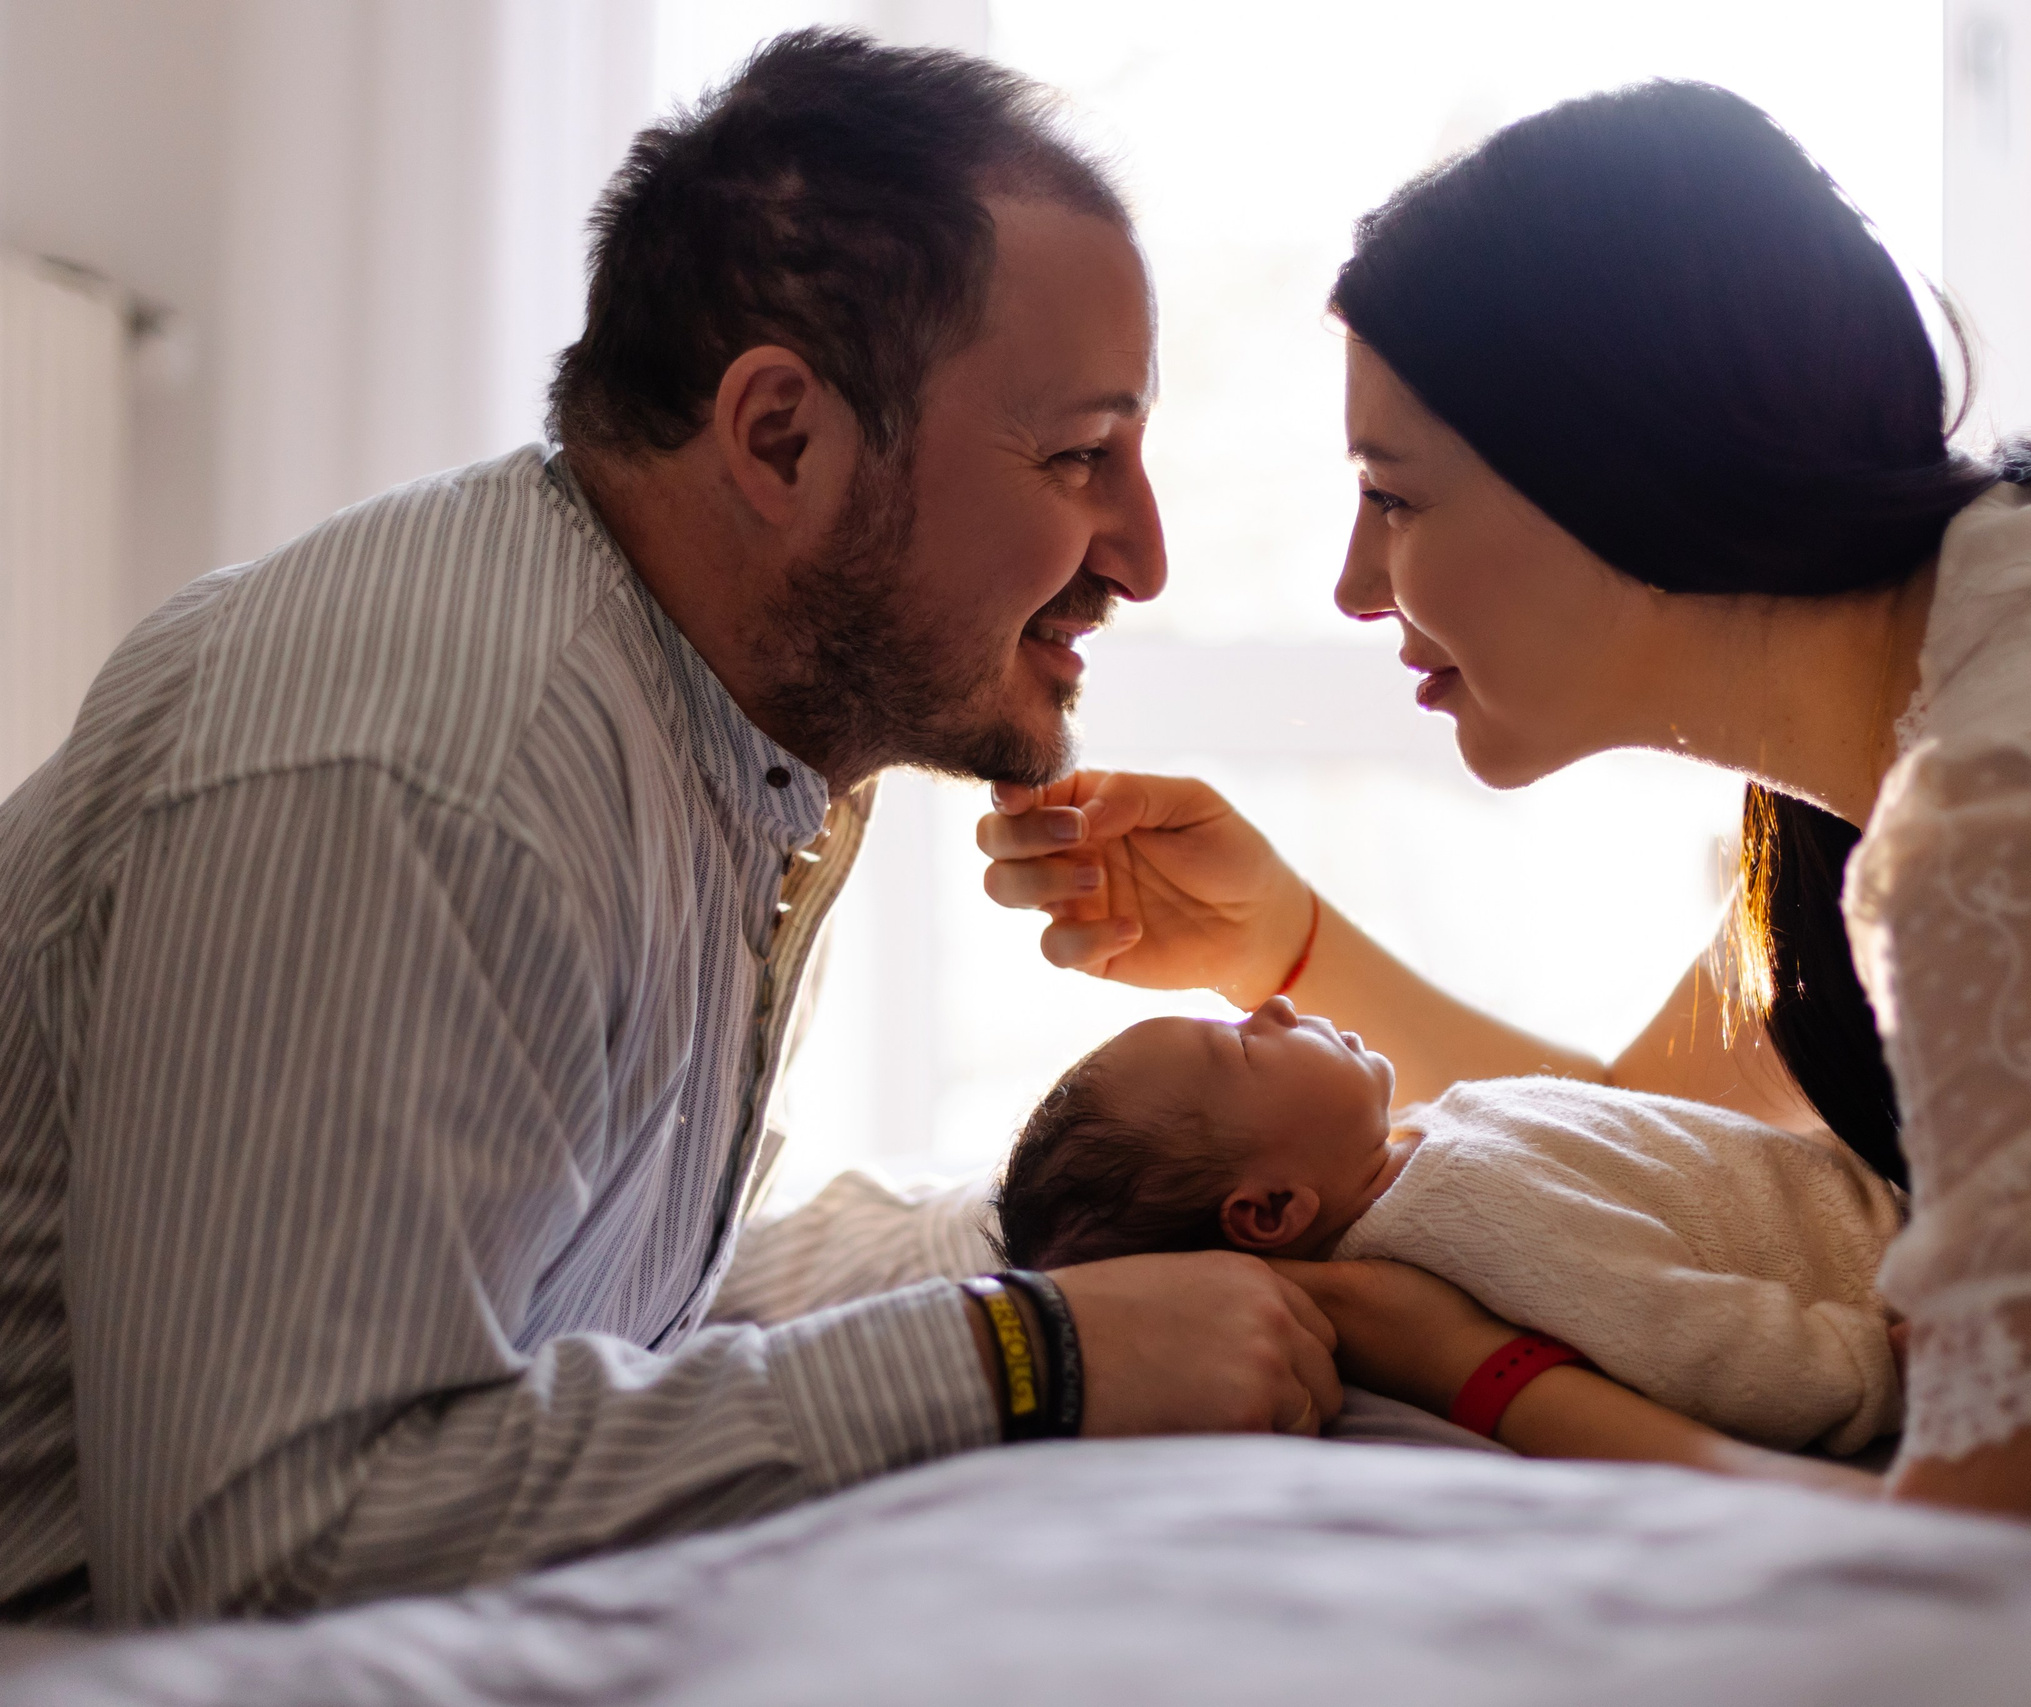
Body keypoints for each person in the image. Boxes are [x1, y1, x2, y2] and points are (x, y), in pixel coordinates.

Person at [981, 80, 2031, 1540]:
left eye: (1395, 496)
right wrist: (1285, 940)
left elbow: (2001, 1562)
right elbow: (1634, 1132)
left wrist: (1476, 1368)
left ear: (1623, 465)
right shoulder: (2009, 611)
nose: (1351, 580)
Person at [0, 32, 1341, 1627]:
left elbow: (590, 1292)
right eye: (1076, 455)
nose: (1144, 550)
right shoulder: (442, 770)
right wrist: (1023, 1356)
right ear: (780, 437)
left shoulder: (725, 732)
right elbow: (268, 1552)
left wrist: (1073, 1263)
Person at [994, 995, 1904, 1457]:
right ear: (1271, 1211)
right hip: (1894, 1267)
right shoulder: (1462, 1226)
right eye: (1238, 1042)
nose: (1269, 1007)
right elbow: (1680, 1335)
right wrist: (1866, 1367)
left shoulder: (1418, 1152)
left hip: (1887, 1183)